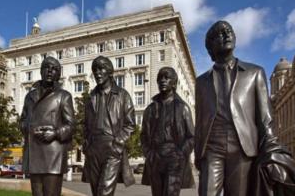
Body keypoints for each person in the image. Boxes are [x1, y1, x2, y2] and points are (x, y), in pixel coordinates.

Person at [195, 20, 295, 196]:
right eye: (220, 34)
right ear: (210, 46)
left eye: (229, 31)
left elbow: (265, 118)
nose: (226, 35)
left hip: (243, 148)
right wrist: (199, 154)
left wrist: (271, 150)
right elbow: (199, 121)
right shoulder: (201, 82)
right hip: (212, 147)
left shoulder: (255, 73)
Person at [20, 57, 75, 196]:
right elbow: (22, 120)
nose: (50, 71)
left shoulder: (64, 96)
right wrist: (29, 127)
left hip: (53, 155)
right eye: (47, 67)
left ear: (59, 74)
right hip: (34, 154)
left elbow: (71, 125)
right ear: (41, 71)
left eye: (55, 69)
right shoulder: (29, 96)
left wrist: (55, 133)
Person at [81, 56, 136, 196]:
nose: (97, 73)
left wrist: (118, 144)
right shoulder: (91, 97)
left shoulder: (122, 95)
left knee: (104, 191)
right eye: (95, 70)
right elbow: (85, 125)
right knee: (96, 191)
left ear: (110, 71)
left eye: (101, 69)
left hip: (112, 146)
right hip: (93, 148)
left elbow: (130, 124)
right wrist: (86, 145)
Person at [141, 67, 195, 196]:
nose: (163, 80)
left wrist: (181, 153)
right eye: (160, 78)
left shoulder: (182, 108)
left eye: (167, 77)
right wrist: (149, 153)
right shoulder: (150, 109)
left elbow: (192, 137)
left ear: (174, 83)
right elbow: (143, 136)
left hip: (174, 156)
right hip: (155, 157)